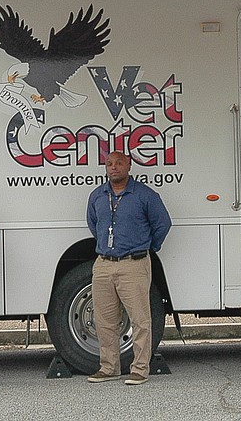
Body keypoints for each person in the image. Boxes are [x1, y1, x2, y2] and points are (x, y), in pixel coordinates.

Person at [86, 151, 171, 385]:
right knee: (104, 321)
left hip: (134, 264)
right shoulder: (97, 196)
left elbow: (163, 223)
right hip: (103, 264)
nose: (114, 168)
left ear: (129, 166)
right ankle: (108, 367)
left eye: (119, 163)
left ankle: (140, 369)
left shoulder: (145, 195)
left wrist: (148, 247)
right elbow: (94, 224)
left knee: (140, 320)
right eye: (109, 164)